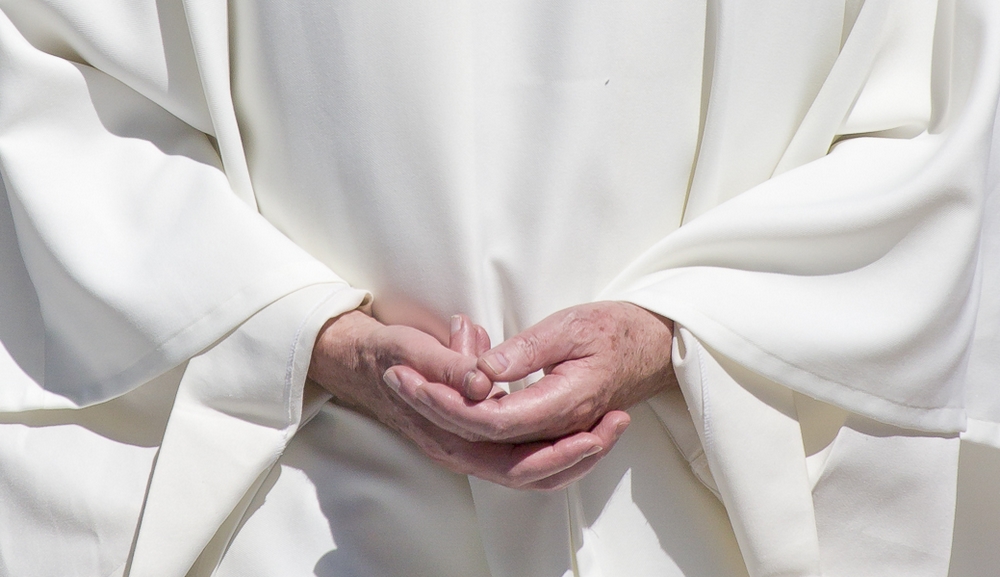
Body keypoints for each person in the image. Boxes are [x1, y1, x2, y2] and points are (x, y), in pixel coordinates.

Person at [1, 0, 999, 575]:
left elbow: (935, 112)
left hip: (679, 502)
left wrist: (669, 334)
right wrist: (309, 337)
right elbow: (56, 74)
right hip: (307, 489)